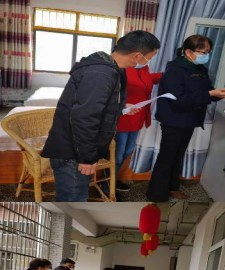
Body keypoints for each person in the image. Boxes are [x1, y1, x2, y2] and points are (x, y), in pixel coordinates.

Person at [41, 30, 161, 202]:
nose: (148, 62)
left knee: (73, 198)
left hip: (76, 148)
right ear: (137, 55)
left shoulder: (110, 69)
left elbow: (93, 106)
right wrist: (87, 158)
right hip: (72, 152)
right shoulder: (101, 74)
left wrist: (120, 107)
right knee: (73, 202)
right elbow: (84, 118)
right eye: (149, 58)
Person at [148, 35, 225, 202]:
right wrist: (210, 94)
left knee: (178, 155)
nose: (206, 55)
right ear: (188, 52)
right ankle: (156, 195)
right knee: (167, 157)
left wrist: (218, 94)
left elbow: (205, 91)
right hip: (174, 119)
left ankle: (172, 188)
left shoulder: (200, 69)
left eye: (208, 52)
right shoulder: (174, 70)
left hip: (190, 119)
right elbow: (178, 98)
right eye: (203, 52)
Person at [114, 58, 163, 192]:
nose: (148, 59)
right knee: (118, 154)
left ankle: (112, 180)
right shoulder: (123, 68)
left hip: (137, 118)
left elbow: (148, 80)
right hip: (122, 118)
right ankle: (108, 186)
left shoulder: (143, 69)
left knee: (127, 151)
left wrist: (165, 74)